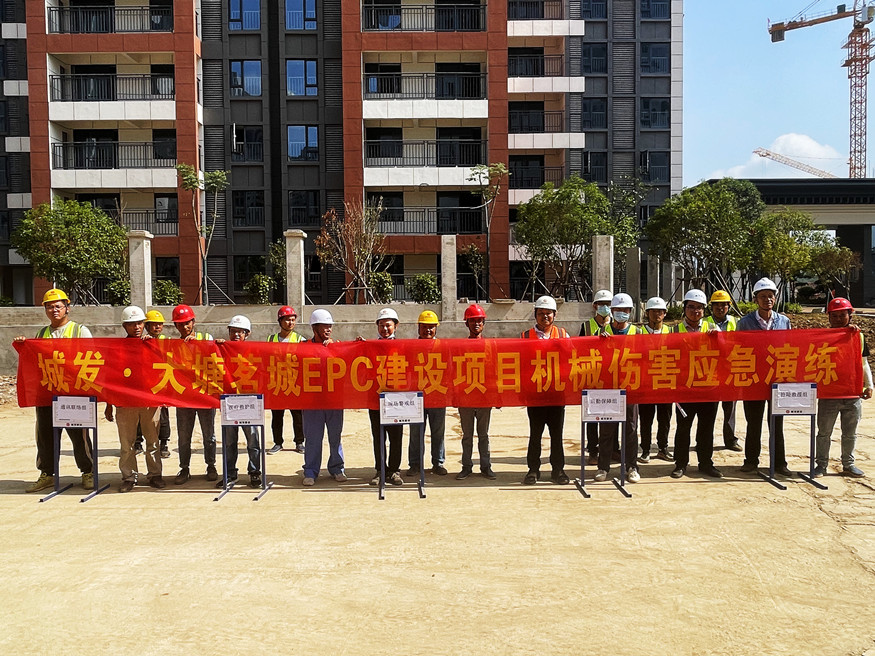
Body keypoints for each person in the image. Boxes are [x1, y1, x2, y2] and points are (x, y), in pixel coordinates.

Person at [16, 289, 95, 493]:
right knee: (45, 436)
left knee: (79, 435)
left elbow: (91, 360)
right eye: (49, 306)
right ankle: (47, 474)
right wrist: (25, 345)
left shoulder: (80, 331)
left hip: (73, 394)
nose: (54, 310)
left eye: (58, 306)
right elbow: (35, 362)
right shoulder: (41, 334)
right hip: (47, 394)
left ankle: (88, 471)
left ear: (67, 308)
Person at [737, 277, 793, 477]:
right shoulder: (745, 323)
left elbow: (790, 347)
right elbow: (738, 349)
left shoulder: (784, 321)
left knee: (777, 423)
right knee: (754, 422)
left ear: (775, 298)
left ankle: (779, 463)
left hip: (777, 380)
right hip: (753, 380)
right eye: (763, 296)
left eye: (770, 296)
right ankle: (751, 461)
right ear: (755, 299)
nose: (767, 299)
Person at [104, 306, 164, 492]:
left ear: (144, 324)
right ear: (124, 326)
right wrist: (109, 404)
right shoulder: (118, 349)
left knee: (153, 441)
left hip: (149, 401)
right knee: (127, 443)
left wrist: (152, 344)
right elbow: (111, 377)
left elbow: (165, 367)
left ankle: (155, 475)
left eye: (139, 323)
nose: (136, 327)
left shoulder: (153, 345)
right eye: (131, 324)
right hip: (125, 402)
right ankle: (129, 477)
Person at [814, 297, 872, 478]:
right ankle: (821, 465)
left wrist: (869, 385)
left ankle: (848, 464)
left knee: (850, 433)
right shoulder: (821, 339)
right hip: (829, 394)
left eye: (842, 315)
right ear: (829, 317)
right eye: (835, 315)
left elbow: (864, 363)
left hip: (852, 393)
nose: (839, 319)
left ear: (850, 315)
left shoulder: (857, 336)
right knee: (824, 432)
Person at [670, 289, 722, 479]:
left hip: (708, 387)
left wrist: (719, 338)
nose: (695, 311)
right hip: (685, 388)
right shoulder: (674, 331)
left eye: (699, 307)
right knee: (683, 428)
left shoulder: (713, 328)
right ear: (684, 308)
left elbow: (725, 352)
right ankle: (680, 464)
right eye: (691, 307)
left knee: (706, 428)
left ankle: (706, 463)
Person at [521, 296, 571, 485]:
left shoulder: (563, 334)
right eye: (541, 313)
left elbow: (572, 357)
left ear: (555, 315)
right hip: (535, 395)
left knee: (557, 435)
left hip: (557, 394)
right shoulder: (525, 337)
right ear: (535, 315)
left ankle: (558, 470)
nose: (545, 316)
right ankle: (533, 470)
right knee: (535, 434)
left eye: (548, 313)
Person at [594, 293, 641, 484]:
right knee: (606, 429)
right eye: (618, 310)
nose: (622, 312)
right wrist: (600, 342)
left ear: (630, 312)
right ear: (612, 311)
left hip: (630, 387)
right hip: (608, 388)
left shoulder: (637, 332)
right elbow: (592, 357)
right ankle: (603, 467)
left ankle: (632, 467)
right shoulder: (602, 332)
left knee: (630, 429)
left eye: (625, 310)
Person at [170, 304, 218, 485]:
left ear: (193, 322)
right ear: (175, 326)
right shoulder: (172, 345)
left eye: (187, 323)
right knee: (184, 436)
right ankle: (184, 468)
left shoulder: (206, 338)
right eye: (180, 324)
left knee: (209, 435)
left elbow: (216, 356)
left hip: (204, 395)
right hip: (184, 397)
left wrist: (197, 344)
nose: (184, 327)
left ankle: (211, 466)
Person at [215, 315, 263, 488]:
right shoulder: (222, 349)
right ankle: (230, 473)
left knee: (253, 441)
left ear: (247, 334)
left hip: (249, 401)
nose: (236, 335)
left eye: (240, 332)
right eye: (233, 331)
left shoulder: (253, 351)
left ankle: (255, 472)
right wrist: (217, 346)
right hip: (230, 402)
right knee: (229, 442)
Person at [301, 309, 347, 486]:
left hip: (334, 400)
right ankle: (310, 471)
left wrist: (335, 348)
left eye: (330, 326)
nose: (328, 330)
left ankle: (337, 468)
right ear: (315, 328)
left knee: (335, 437)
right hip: (312, 402)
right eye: (324, 326)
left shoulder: (337, 346)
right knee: (313, 438)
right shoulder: (304, 347)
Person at [359, 308, 405, 487]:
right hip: (376, 399)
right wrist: (359, 346)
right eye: (381, 325)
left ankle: (394, 470)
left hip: (396, 400)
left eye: (388, 325)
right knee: (378, 437)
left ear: (396, 326)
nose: (385, 329)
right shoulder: (370, 347)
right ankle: (380, 470)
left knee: (396, 437)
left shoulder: (403, 347)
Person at [456, 304, 496, 480]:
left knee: (483, 435)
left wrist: (496, 396)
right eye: (472, 321)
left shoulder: (490, 346)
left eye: (479, 320)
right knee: (467, 435)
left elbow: (494, 372)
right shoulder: (461, 347)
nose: (476, 324)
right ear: (466, 324)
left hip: (484, 397)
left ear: (484, 323)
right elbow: (455, 371)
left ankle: (486, 466)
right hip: (466, 397)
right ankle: (466, 466)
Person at [408, 310, 448, 477]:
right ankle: (415, 464)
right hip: (416, 396)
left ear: (436, 328)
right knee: (415, 432)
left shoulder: (443, 347)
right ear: (419, 328)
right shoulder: (411, 347)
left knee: (438, 431)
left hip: (437, 395)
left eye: (431, 327)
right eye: (425, 327)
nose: (428, 330)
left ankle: (438, 463)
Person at [703, 290, 742, 452]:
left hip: (730, 371)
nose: (720, 308)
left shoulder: (737, 322)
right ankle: (705, 441)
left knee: (730, 409)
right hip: (710, 371)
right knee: (708, 410)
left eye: (723, 305)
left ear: (729, 306)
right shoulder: (704, 323)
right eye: (716, 305)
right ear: (711, 307)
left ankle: (730, 440)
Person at [580, 289, 614, 465]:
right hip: (592, 377)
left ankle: (613, 449)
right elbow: (579, 350)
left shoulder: (617, 326)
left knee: (613, 415)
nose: (605, 307)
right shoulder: (586, 326)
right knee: (592, 417)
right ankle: (593, 450)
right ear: (595, 306)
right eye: (602, 304)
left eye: (608, 304)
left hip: (612, 377)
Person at [638, 296, 673, 463]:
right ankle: (645, 449)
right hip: (646, 383)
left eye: (660, 311)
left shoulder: (671, 332)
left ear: (665, 314)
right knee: (646, 419)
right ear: (647, 313)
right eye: (653, 311)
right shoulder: (639, 332)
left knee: (664, 418)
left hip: (665, 382)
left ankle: (663, 448)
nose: (657, 314)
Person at [267, 306, 306, 455]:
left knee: (298, 414)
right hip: (277, 382)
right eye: (287, 320)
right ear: (280, 321)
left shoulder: (300, 339)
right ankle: (278, 443)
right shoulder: (271, 339)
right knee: (277, 415)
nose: (291, 323)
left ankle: (299, 442)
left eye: (293, 320)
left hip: (294, 382)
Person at [143, 309, 171, 459]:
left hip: (162, 384)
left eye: (159, 324)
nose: (157, 327)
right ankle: (138, 443)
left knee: (163, 416)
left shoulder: (167, 341)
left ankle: (164, 443)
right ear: (147, 326)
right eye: (154, 324)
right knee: (142, 415)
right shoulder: (142, 341)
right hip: (146, 385)